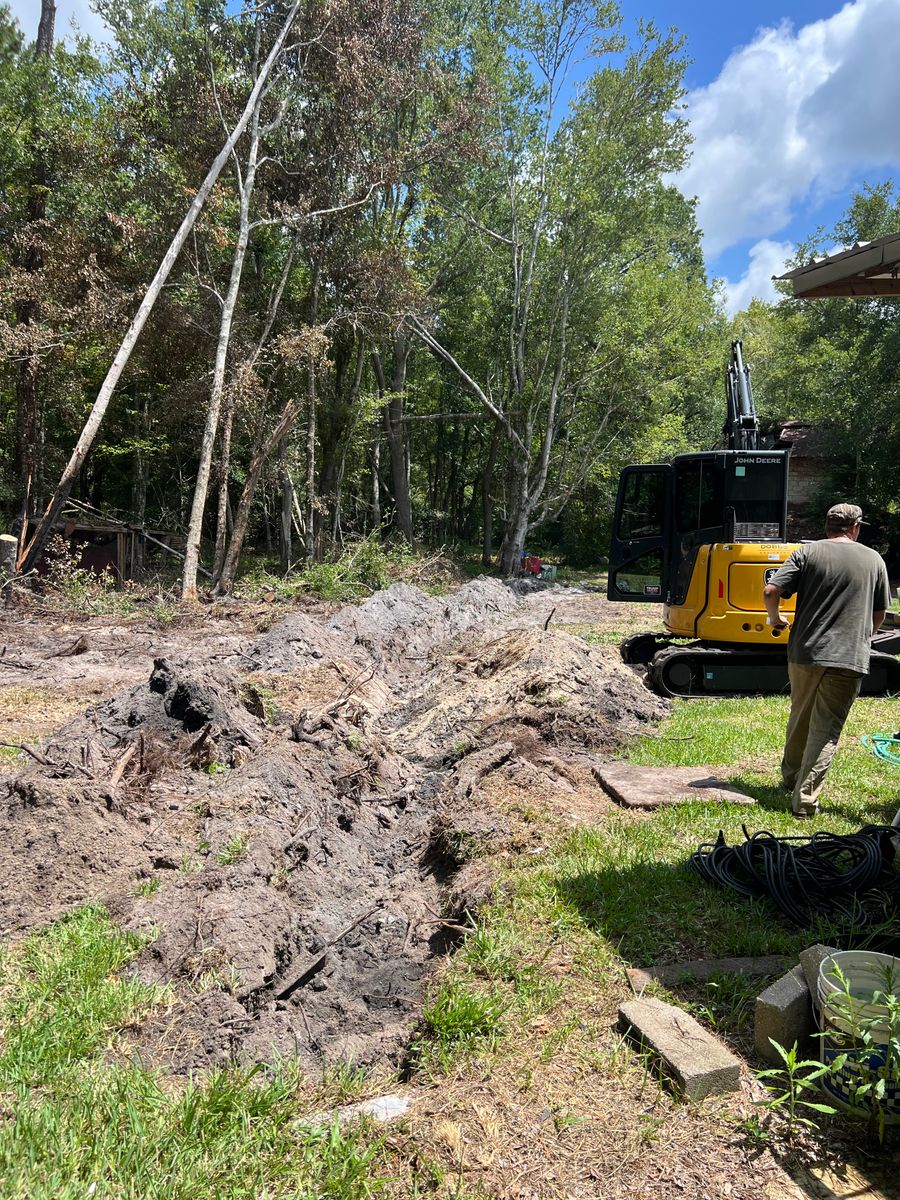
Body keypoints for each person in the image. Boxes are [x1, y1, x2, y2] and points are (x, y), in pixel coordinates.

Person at [763, 503, 890, 819]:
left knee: (800, 714)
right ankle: (805, 802)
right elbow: (879, 614)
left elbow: (771, 590)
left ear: (828, 526)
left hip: (805, 652)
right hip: (848, 656)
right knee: (826, 729)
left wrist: (774, 618)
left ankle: (790, 779)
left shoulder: (807, 553)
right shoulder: (874, 559)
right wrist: (865, 637)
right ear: (855, 527)